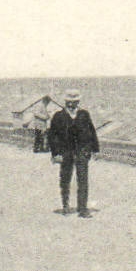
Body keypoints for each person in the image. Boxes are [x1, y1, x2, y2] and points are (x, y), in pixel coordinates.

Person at [47, 89, 100, 218]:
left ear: (78, 101)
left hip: (82, 151)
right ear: (65, 102)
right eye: (69, 102)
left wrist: (95, 149)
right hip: (66, 152)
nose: (71, 104)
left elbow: (92, 131)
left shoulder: (84, 114)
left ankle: (82, 209)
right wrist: (55, 154)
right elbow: (52, 136)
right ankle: (65, 205)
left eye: (74, 101)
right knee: (65, 179)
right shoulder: (58, 116)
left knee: (83, 180)